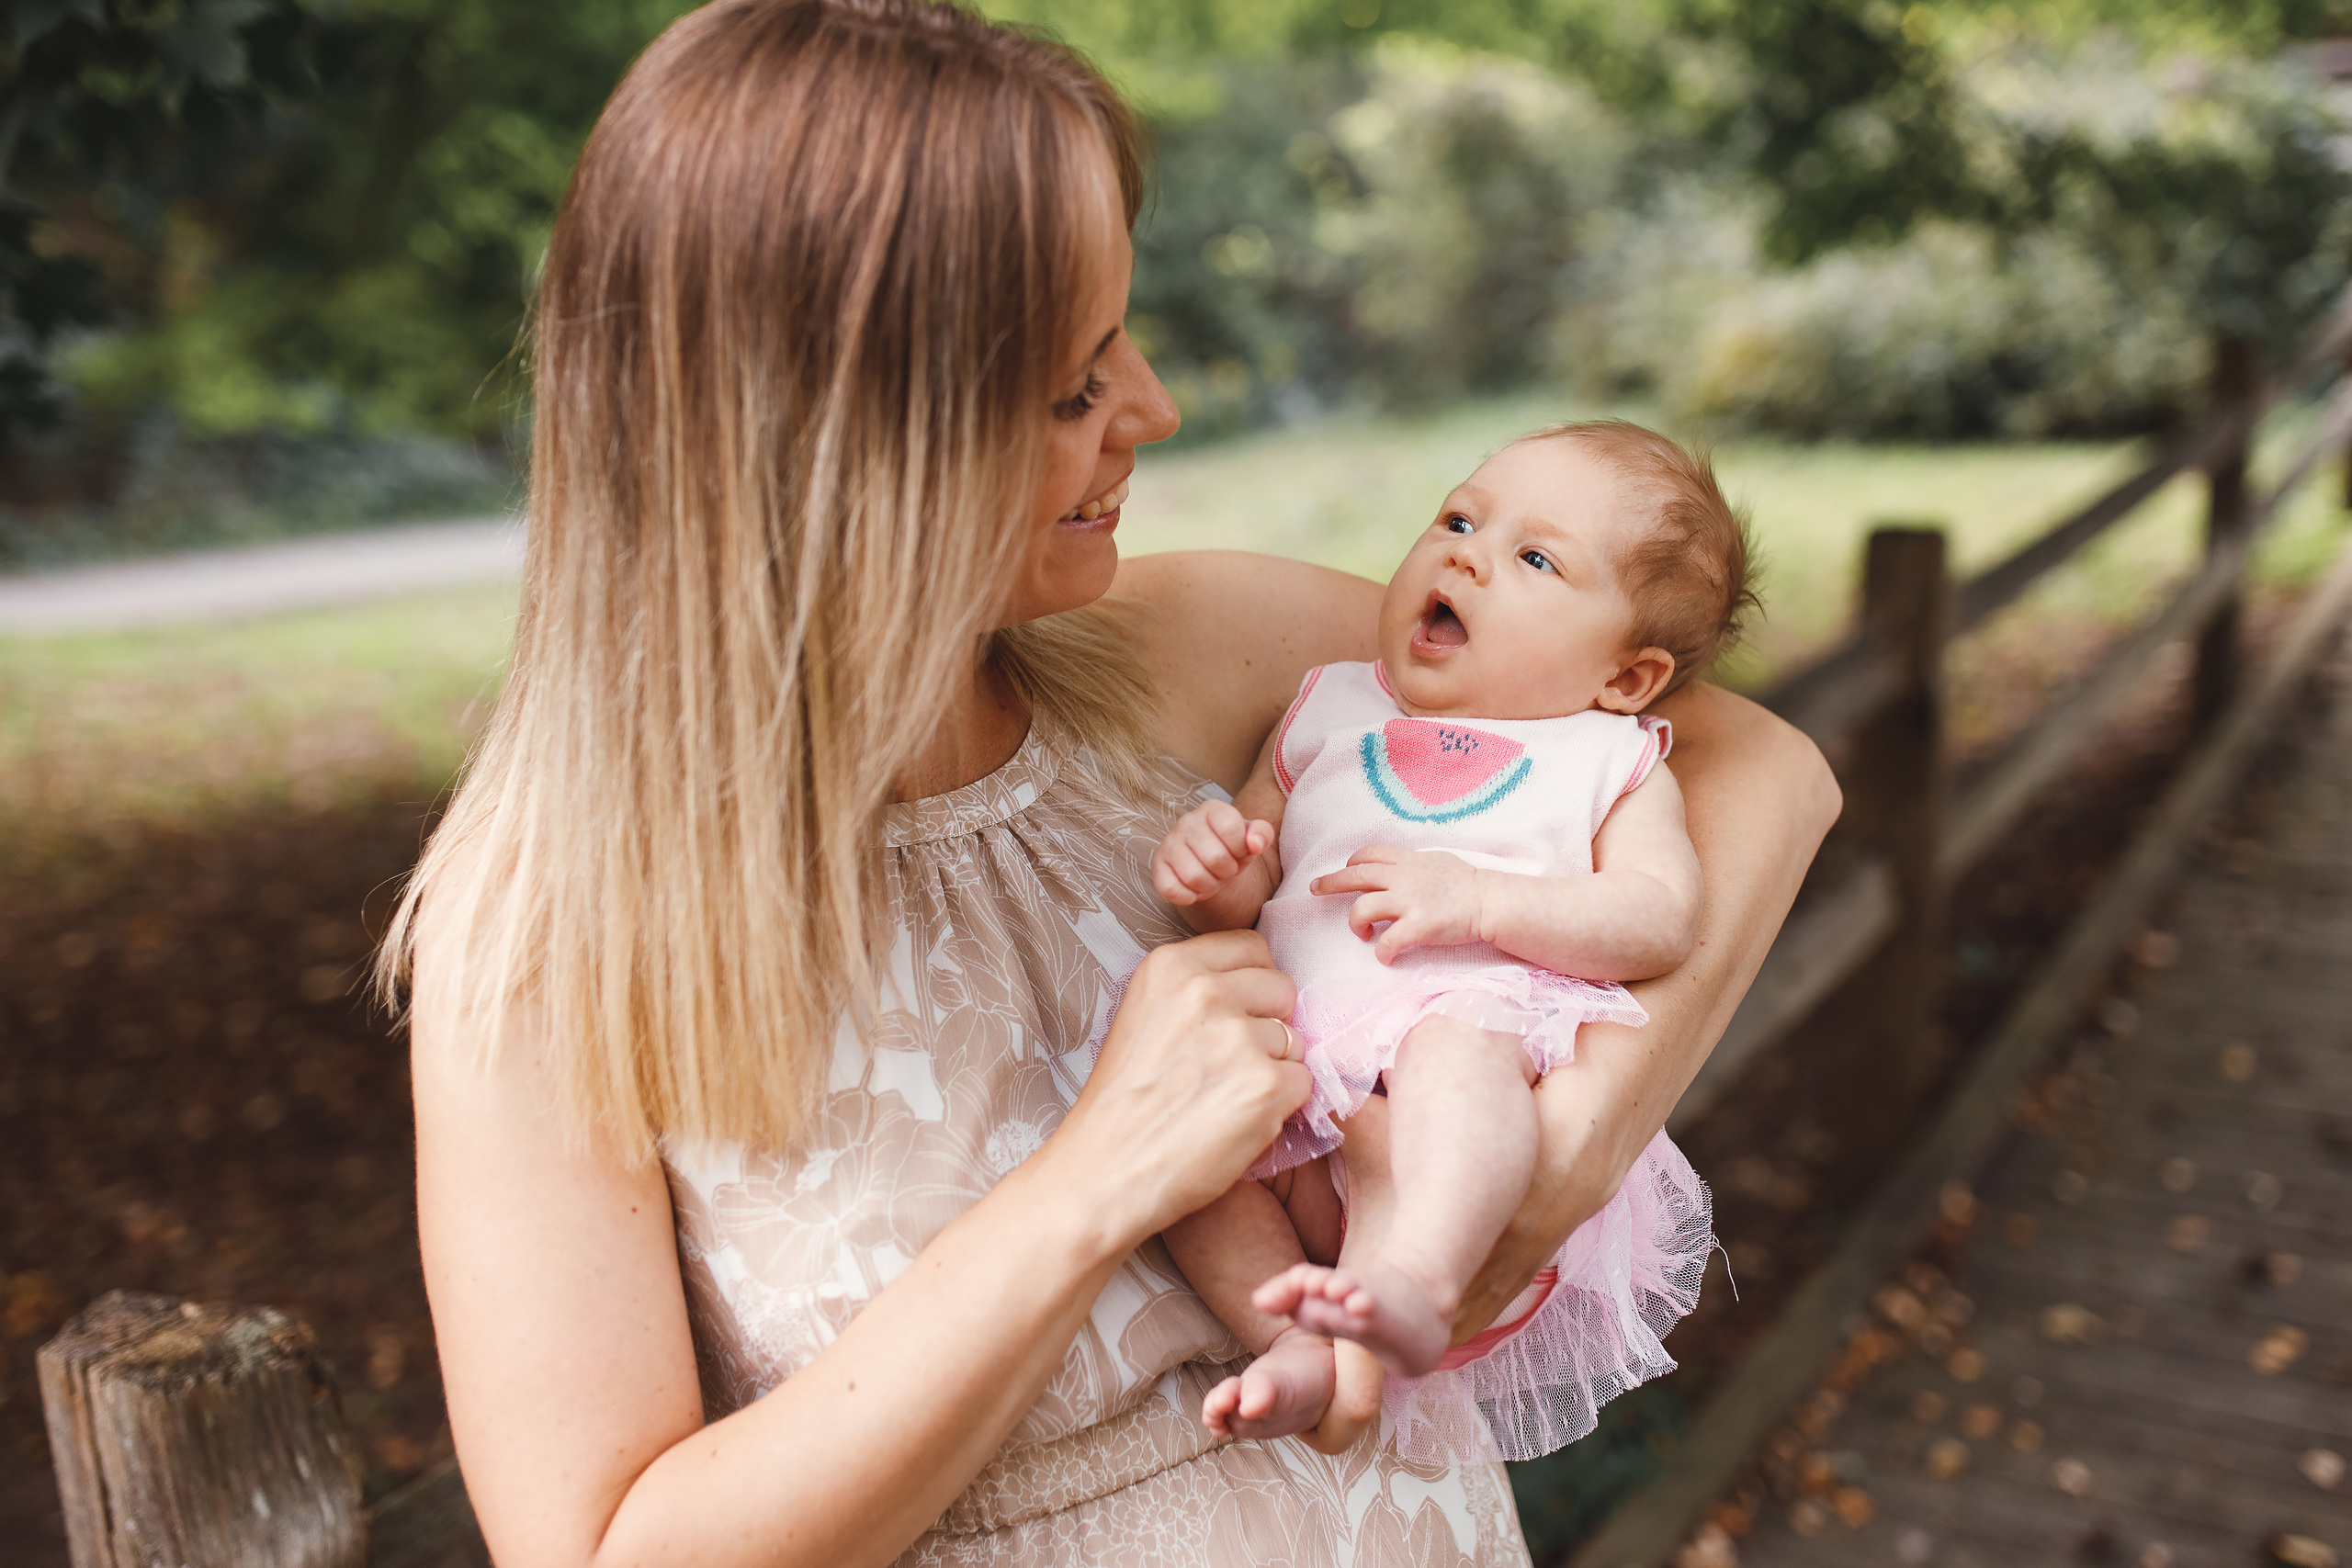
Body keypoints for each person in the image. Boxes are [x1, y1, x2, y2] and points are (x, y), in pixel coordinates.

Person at [380, 3, 1840, 1564]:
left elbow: (1764, 765)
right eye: (1079, 386)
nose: (1153, 409)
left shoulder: (1171, 652)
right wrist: (1094, 1178)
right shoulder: (546, 934)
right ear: (854, 442)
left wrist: (1567, 1151)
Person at [1153, 421, 1747, 1466]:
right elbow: (1261, 878)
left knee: (1455, 1057)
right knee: (1190, 1152)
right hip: (1304, 1071)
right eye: (1459, 518)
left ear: (1626, 677)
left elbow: (1660, 917)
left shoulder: (1604, 756)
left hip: (1456, 1081)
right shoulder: (1326, 711)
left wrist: (1477, 901)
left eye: (1534, 557)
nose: (1465, 552)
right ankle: (1294, 1345)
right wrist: (1218, 874)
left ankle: (1418, 1276)